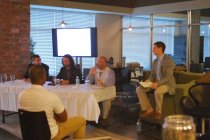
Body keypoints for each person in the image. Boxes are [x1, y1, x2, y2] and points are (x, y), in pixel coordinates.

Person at [18, 65, 86, 139]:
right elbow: (64, 118)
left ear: (30, 78)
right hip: (50, 135)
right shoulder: (51, 96)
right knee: (81, 120)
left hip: (30, 134)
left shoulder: (21, 95)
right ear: (43, 78)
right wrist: (54, 116)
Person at [136, 41, 176, 120]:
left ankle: (158, 112)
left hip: (167, 84)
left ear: (160, 48)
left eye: (154, 48)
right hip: (155, 82)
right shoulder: (155, 61)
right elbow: (152, 76)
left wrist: (157, 84)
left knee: (158, 91)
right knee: (139, 89)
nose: (153, 50)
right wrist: (147, 82)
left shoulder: (169, 60)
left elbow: (168, 77)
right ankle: (148, 109)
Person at [87, 56, 115, 126]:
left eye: (103, 62)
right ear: (96, 63)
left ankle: (105, 118)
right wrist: (91, 74)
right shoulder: (94, 70)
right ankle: (92, 117)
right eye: (99, 61)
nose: (101, 63)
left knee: (106, 100)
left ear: (106, 63)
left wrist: (103, 84)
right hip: (98, 92)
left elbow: (111, 83)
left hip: (109, 92)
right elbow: (87, 82)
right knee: (89, 98)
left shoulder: (110, 71)